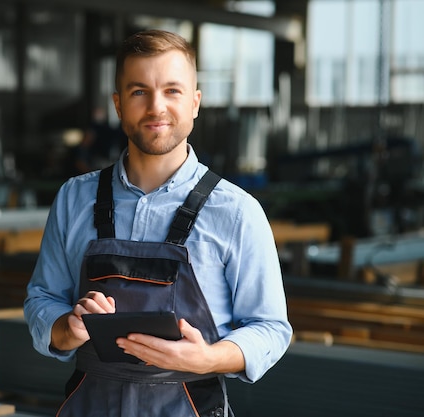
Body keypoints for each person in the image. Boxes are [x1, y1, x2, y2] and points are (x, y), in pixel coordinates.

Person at [24, 29, 292, 417]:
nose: (156, 107)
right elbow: (42, 298)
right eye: (139, 92)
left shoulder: (237, 212)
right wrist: (66, 328)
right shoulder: (73, 199)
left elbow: (270, 327)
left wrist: (209, 358)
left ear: (195, 102)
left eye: (172, 90)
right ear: (118, 104)